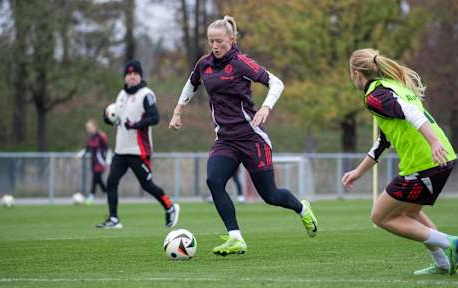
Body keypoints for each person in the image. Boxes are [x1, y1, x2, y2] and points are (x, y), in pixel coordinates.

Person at [169, 16, 317, 256]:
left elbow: (276, 83)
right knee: (214, 181)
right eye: (211, 41)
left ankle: (302, 209)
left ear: (232, 39)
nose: (215, 46)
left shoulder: (241, 63)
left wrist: (266, 107)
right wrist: (177, 111)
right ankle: (235, 237)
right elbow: (191, 84)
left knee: (270, 195)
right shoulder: (204, 64)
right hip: (225, 139)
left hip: (251, 138)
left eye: (219, 41)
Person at [343, 48, 458, 275]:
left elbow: (411, 112)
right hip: (439, 159)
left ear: (356, 74)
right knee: (409, 213)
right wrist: (359, 172)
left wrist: (433, 142)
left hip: (425, 162)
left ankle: (449, 242)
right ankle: (442, 264)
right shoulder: (393, 87)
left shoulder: (374, 96)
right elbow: (383, 141)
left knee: (379, 216)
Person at [97, 60, 180, 229]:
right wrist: (108, 118)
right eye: (129, 74)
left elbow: (155, 118)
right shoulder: (121, 94)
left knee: (146, 184)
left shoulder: (146, 94)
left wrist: (135, 124)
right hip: (121, 150)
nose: (132, 76)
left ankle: (170, 206)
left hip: (138, 150)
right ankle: (114, 219)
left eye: (135, 73)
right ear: (125, 76)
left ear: (140, 75)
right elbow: (117, 117)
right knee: (111, 181)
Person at [75, 119, 108, 204]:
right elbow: (87, 149)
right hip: (93, 162)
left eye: (89, 127)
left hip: (100, 161)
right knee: (98, 179)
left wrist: (106, 160)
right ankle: (107, 193)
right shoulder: (90, 138)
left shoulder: (101, 136)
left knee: (95, 177)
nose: (88, 129)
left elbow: (106, 148)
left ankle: (91, 195)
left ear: (94, 126)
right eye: (87, 127)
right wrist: (80, 155)